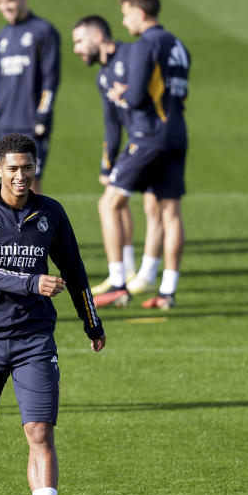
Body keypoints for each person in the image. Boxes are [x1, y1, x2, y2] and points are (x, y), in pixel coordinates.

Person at [0, 134, 106, 495]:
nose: (21, 176)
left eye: (27, 168)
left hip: (34, 339)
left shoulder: (51, 214)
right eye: (13, 169)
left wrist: (92, 323)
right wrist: (31, 282)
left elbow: (75, 271)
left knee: (40, 431)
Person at [96, 0, 191, 309]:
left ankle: (118, 283)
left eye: (125, 14)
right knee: (170, 212)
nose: (124, 21)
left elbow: (135, 98)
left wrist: (121, 91)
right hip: (178, 132)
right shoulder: (179, 45)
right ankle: (167, 291)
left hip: (150, 135)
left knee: (109, 202)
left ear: (139, 13)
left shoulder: (144, 46)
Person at [71, 15, 165, 299]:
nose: (76, 49)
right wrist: (107, 163)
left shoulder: (133, 54)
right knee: (133, 204)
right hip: (137, 143)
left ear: (98, 36)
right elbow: (112, 124)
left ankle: (121, 280)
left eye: (79, 41)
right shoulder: (102, 75)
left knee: (115, 204)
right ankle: (131, 273)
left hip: (151, 138)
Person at [0, 0, 60, 194]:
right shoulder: (3, 36)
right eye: (0, 2)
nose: (5, 7)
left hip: (30, 123)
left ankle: (36, 229)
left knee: (30, 182)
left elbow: (51, 79)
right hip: (6, 123)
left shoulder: (43, 31)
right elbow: (0, 83)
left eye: (9, 0)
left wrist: (42, 116)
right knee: (6, 185)